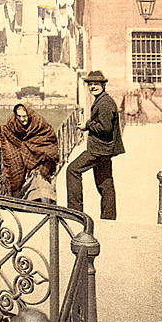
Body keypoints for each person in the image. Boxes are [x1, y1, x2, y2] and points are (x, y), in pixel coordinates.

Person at [66, 70, 124, 220]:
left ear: (103, 85)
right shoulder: (103, 100)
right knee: (105, 183)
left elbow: (105, 128)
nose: (92, 87)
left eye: (96, 84)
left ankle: (75, 212)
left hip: (99, 149)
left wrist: (87, 125)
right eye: (90, 84)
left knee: (72, 170)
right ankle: (109, 218)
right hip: (106, 149)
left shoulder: (104, 102)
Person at [0, 103, 59, 200]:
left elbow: (49, 139)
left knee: (40, 172)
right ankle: (23, 195)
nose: (22, 119)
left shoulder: (39, 123)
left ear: (30, 114)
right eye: (19, 116)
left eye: (24, 116)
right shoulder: (13, 123)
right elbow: (6, 130)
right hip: (23, 155)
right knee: (16, 170)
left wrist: (36, 150)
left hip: (40, 158)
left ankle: (43, 196)